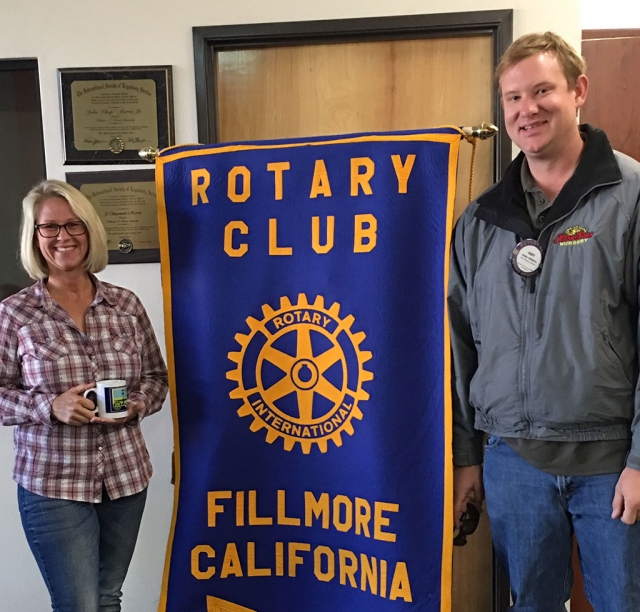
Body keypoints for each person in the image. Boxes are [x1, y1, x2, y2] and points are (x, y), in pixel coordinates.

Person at [448, 32, 640, 611]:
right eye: (512, 98)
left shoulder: (630, 197)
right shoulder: (481, 219)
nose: (525, 109)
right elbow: (460, 347)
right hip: (514, 462)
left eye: (541, 91)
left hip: (611, 462)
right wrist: (467, 458)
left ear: (578, 91)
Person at [0, 179, 168, 611]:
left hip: (126, 479)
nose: (63, 237)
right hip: (53, 484)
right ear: (35, 238)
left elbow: (155, 377)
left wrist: (134, 406)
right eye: (49, 228)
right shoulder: (15, 313)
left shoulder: (126, 305)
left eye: (73, 224)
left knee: (108, 597)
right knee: (78, 604)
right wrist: (49, 406)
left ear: (89, 231)